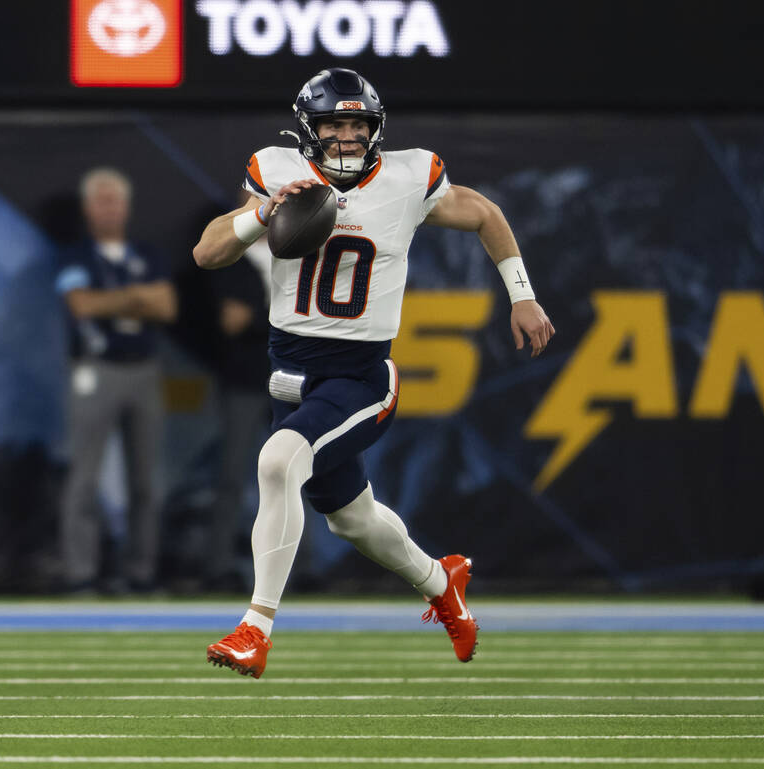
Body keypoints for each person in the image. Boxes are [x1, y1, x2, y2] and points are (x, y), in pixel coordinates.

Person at [193, 68, 554, 677]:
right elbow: (207, 253)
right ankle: (443, 584)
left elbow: (486, 214)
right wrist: (262, 216)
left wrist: (523, 294)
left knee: (278, 460)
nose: (346, 137)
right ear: (310, 129)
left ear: (375, 128)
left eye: (357, 125)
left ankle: (255, 629)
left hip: (360, 377)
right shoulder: (277, 170)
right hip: (290, 372)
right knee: (352, 518)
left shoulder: (409, 177)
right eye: (334, 124)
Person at [55, 167, 177, 594]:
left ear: (126, 207)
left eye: (116, 201)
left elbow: (165, 308)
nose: (109, 209)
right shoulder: (75, 256)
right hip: (96, 368)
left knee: (147, 480)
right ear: (88, 208)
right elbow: (81, 305)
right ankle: (80, 573)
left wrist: (115, 301)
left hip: (143, 369)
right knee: (84, 475)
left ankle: (141, 573)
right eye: (101, 201)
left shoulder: (147, 252)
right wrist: (136, 296)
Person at [203, 252, 274, 592]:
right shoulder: (233, 254)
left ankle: (299, 570)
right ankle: (218, 567)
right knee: (230, 476)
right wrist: (278, 316)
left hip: (291, 377)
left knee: (299, 478)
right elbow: (232, 321)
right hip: (245, 379)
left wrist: (256, 315)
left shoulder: (303, 244)